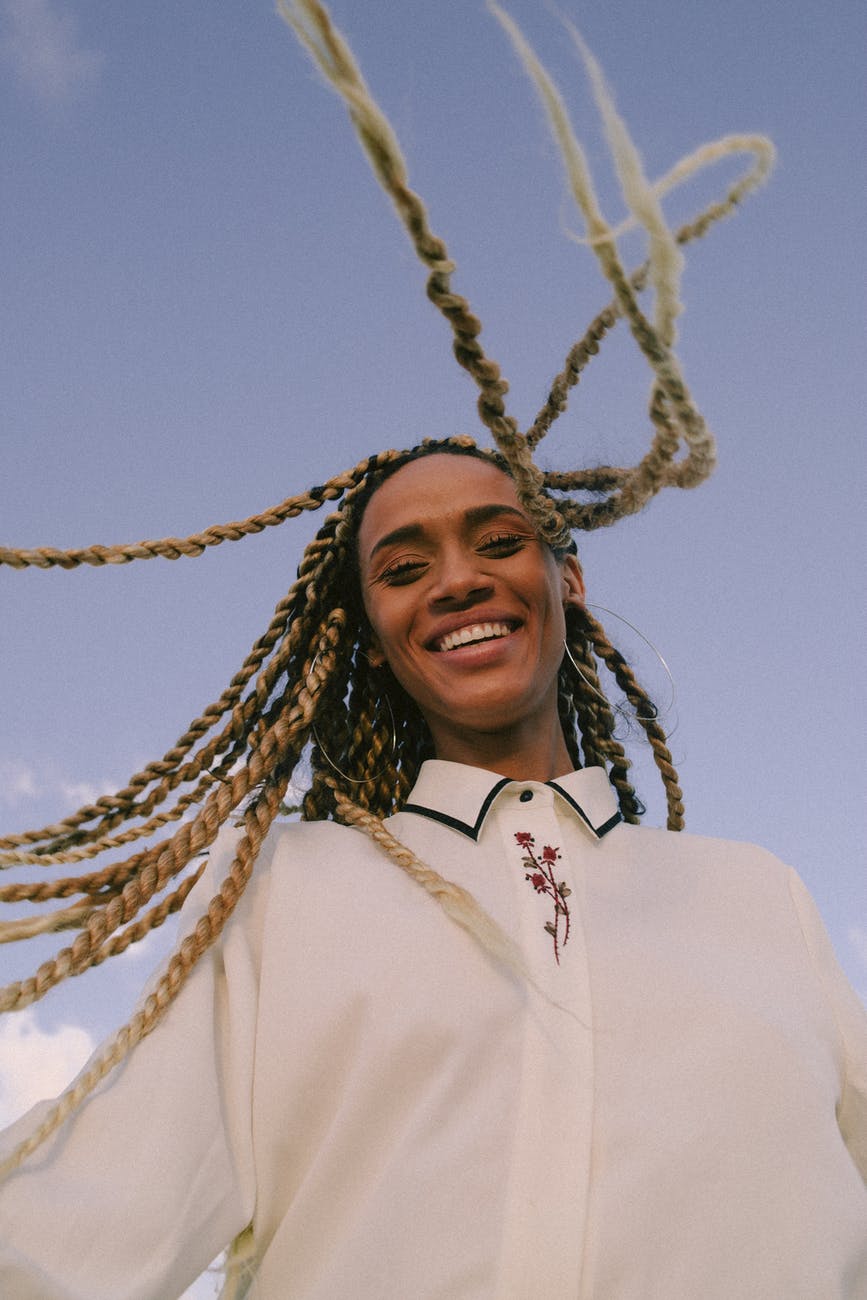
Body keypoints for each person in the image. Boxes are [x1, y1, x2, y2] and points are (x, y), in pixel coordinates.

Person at [0, 2, 864, 1297]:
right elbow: (60, 1245)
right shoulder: (283, 899)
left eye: (496, 539)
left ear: (565, 578)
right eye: (402, 567)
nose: (455, 577)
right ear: (371, 637)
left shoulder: (762, 902)